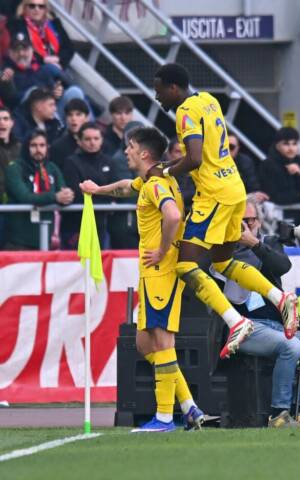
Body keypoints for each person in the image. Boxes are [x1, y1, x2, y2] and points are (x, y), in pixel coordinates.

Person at [152, 63, 298, 359]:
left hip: (213, 195)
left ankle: (236, 321)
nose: (157, 99)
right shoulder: (209, 99)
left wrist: (165, 171)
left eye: (159, 92)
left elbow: (193, 159)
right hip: (234, 189)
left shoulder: (185, 112)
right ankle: (280, 297)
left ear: (173, 88)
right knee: (221, 261)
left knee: (186, 265)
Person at [79, 126, 205, 433]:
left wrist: (162, 250)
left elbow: (173, 216)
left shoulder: (157, 185)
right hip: (155, 272)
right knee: (143, 342)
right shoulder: (152, 179)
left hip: (160, 271)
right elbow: (126, 186)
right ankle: (189, 407)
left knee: (161, 340)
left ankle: (164, 417)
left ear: (144, 153)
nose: (125, 151)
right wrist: (98, 190)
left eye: (130, 147)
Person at [214, 196, 300, 428]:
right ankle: (279, 413)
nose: (247, 226)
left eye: (251, 220)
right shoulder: (222, 249)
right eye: (241, 220)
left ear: (259, 220)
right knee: (291, 347)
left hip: (277, 324)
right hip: (245, 326)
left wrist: (254, 243)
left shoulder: (267, 243)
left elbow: (282, 266)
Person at [4, 129, 73, 249]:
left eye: (42, 145)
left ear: (47, 147)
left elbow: (63, 191)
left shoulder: (52, 168)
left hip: (47, 239)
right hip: (19, 241)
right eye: (33, 145)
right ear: (26, 147)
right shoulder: (14, 169)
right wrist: (55, 197)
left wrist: (68, 196)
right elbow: (24, 197)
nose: (38, 150)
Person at [59, 122, 123, 249]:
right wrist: (106, 195)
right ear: (79, 141)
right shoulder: (71, 162)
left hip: (102, 225)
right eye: (87, 139)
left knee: (100, 265)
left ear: (101, 140)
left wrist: (96, 193)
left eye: (96, 138)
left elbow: (117, 190)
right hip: (77, 225)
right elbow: (77, 195)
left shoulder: (109, 162)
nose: (92, 142)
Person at [9, 0, 74, 70]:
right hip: (31, 70)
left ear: (45, 9)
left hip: (58, 66)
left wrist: (58, 59)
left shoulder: (54, 23)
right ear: (24, 8)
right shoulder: (16, 25)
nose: (37, 9)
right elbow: (20, 51)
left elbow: (69, 48)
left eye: (41, 6)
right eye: (32, 6)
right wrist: (44, 60)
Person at [259, 126, 300, 208]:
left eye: (294, 144)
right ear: (277, 146)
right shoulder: (268, 165)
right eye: (286, 144)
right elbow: (274, 196)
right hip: (277, 216)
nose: (291, 148)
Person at [49, 97, 87, 167]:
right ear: (66, 119)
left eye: (78, 114)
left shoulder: (97, 142)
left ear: (86, 118)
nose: (74, 119)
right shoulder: (57, 147)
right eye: (70, 115)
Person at [228, 132, 264, 197]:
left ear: (237, 148)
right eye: (223, 146)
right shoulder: (211, 161)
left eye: (231, 147)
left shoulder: (245, 162)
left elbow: (253, 186)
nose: (227, 150)